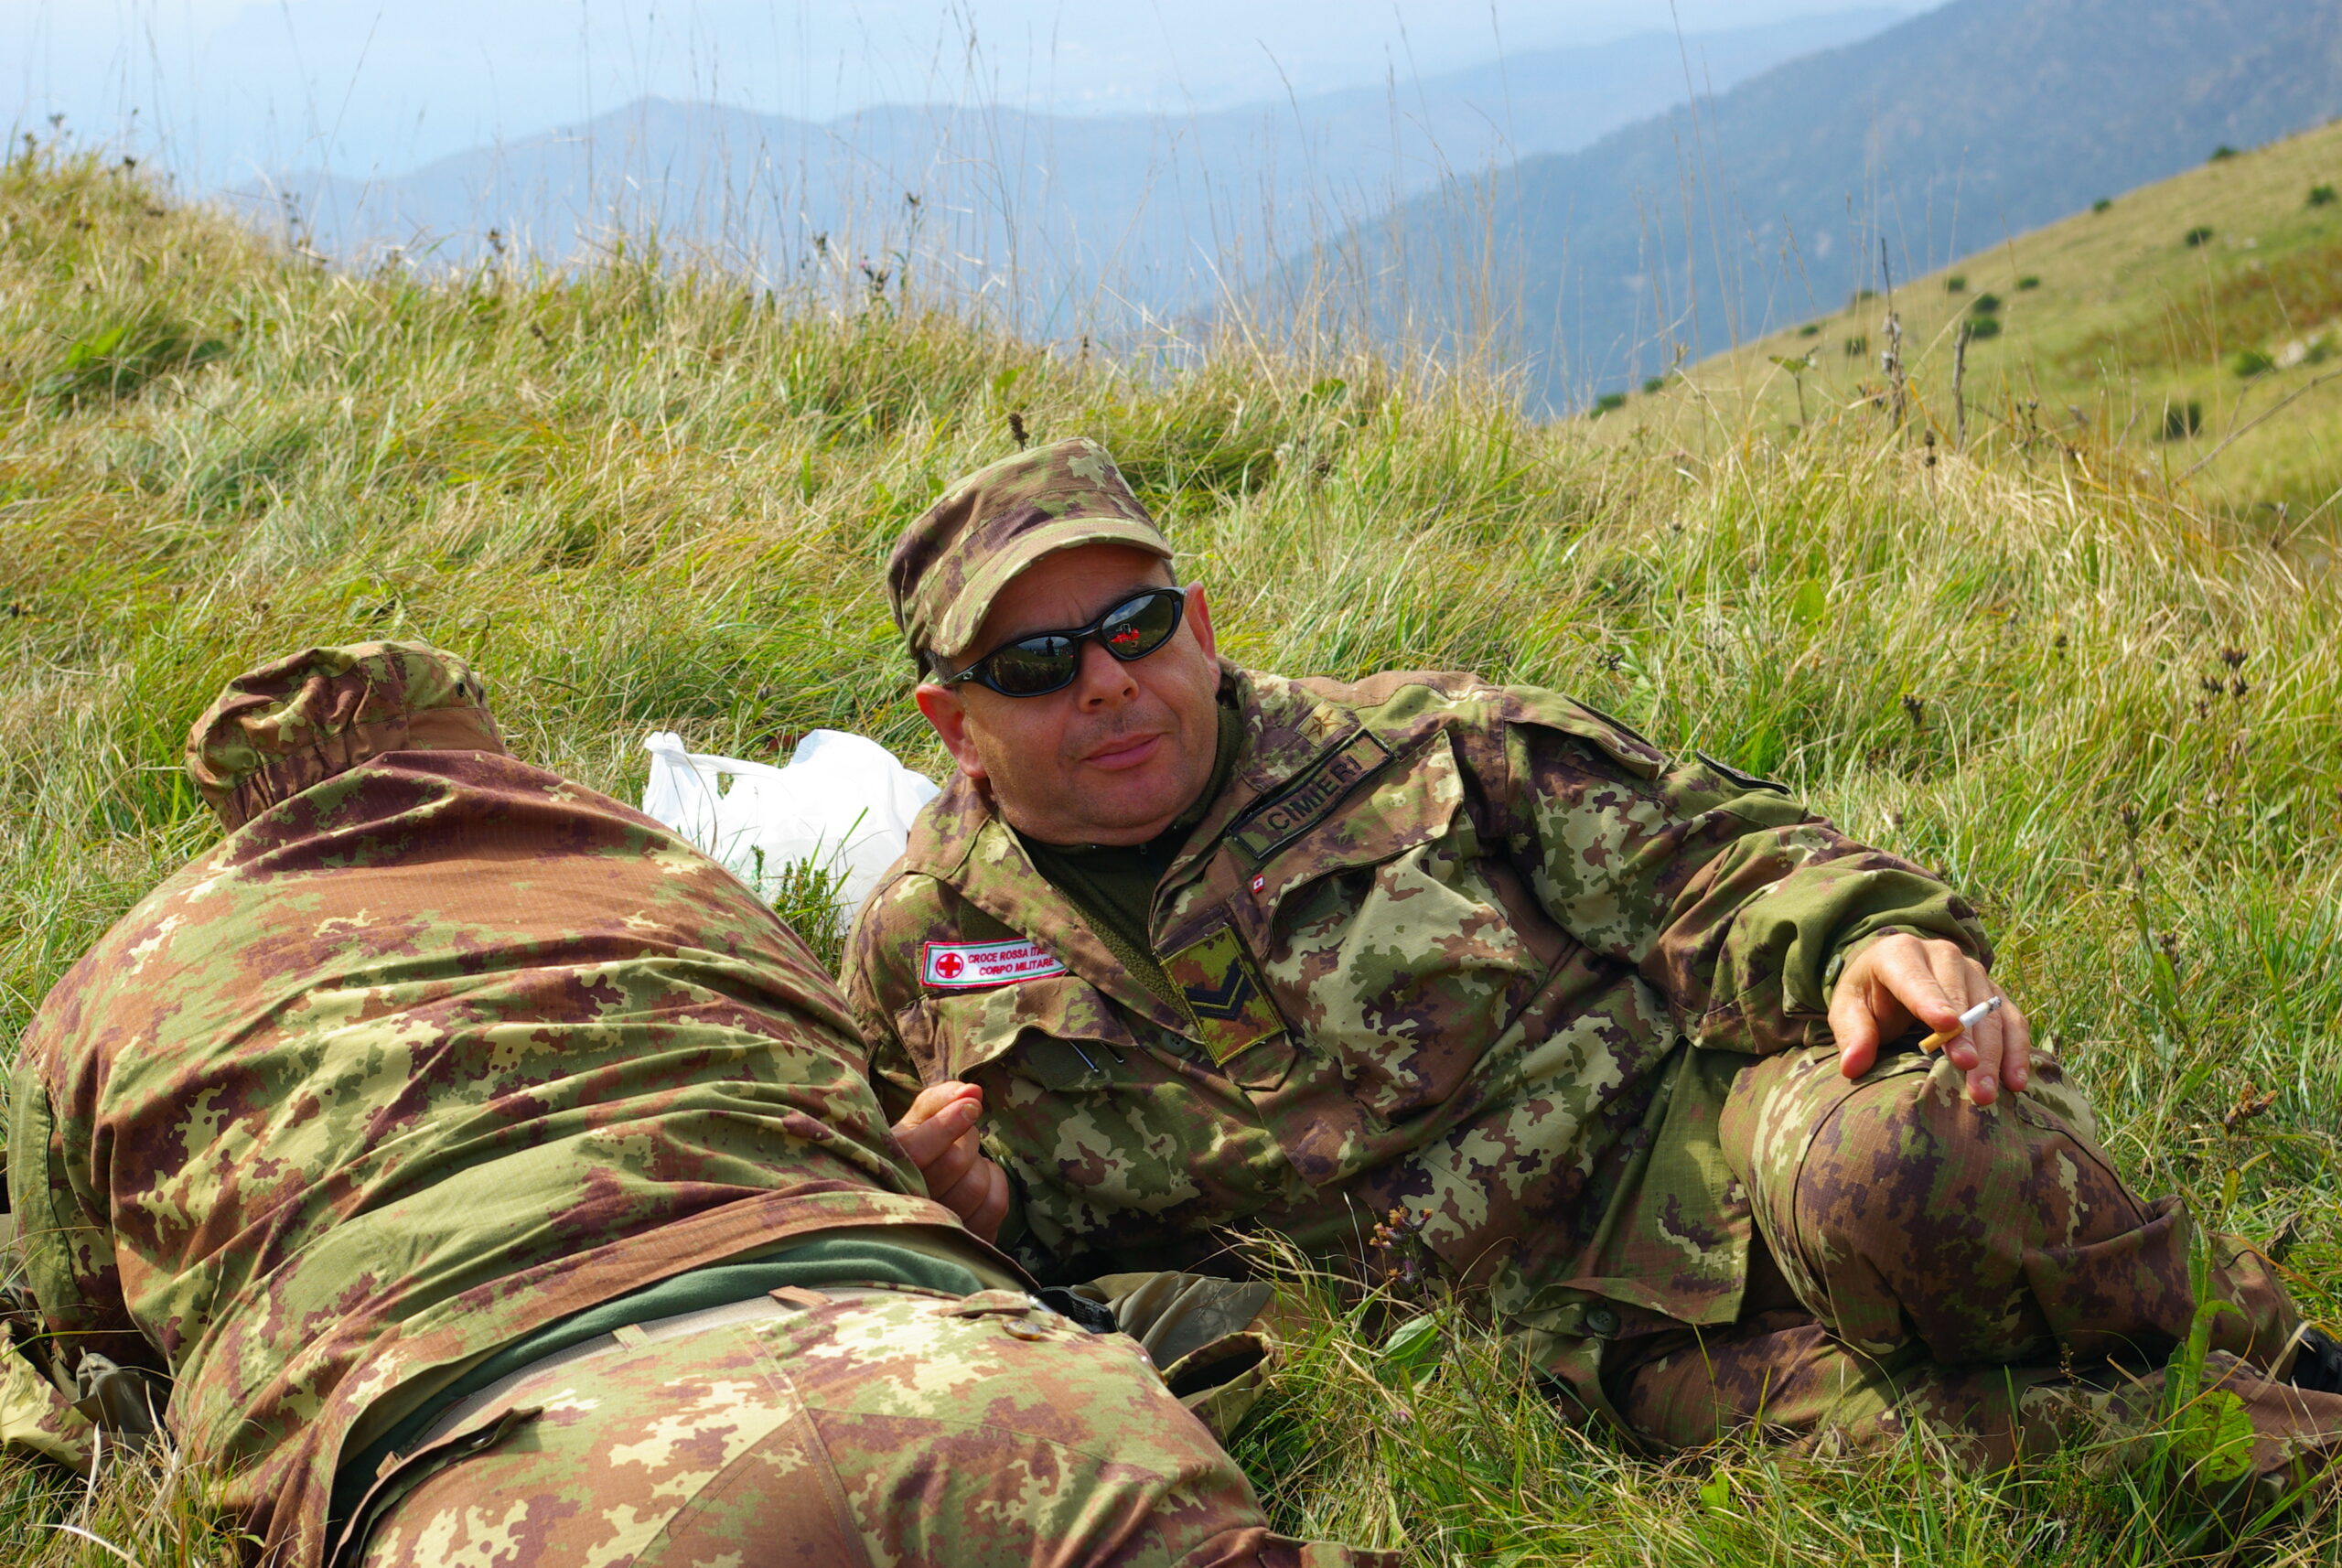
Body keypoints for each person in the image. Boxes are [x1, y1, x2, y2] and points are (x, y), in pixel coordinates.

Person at [846, 437, 2342, 1504]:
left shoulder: (1419, 748)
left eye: (1136, 624)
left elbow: (1714, 853)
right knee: (1977, 1454)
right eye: (1036, 665)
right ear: (951, 718)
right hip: (1550, 1345)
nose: (1106, 679)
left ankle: (2281, 1335)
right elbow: (962, 1251)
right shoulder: (923, 947)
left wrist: (1860, 935)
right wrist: (975, 1212)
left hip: (1699, 1142)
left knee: (1908, 1158)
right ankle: (2300, 1448)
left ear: (1201, 626)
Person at [0, 640, 1392, 1568]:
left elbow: (88, 1337)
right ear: (483, 752)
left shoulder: (118, 981)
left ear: (241, 817)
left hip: (523, 1476)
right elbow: (844, 1094)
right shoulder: (673, 871)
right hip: (968, 1373)